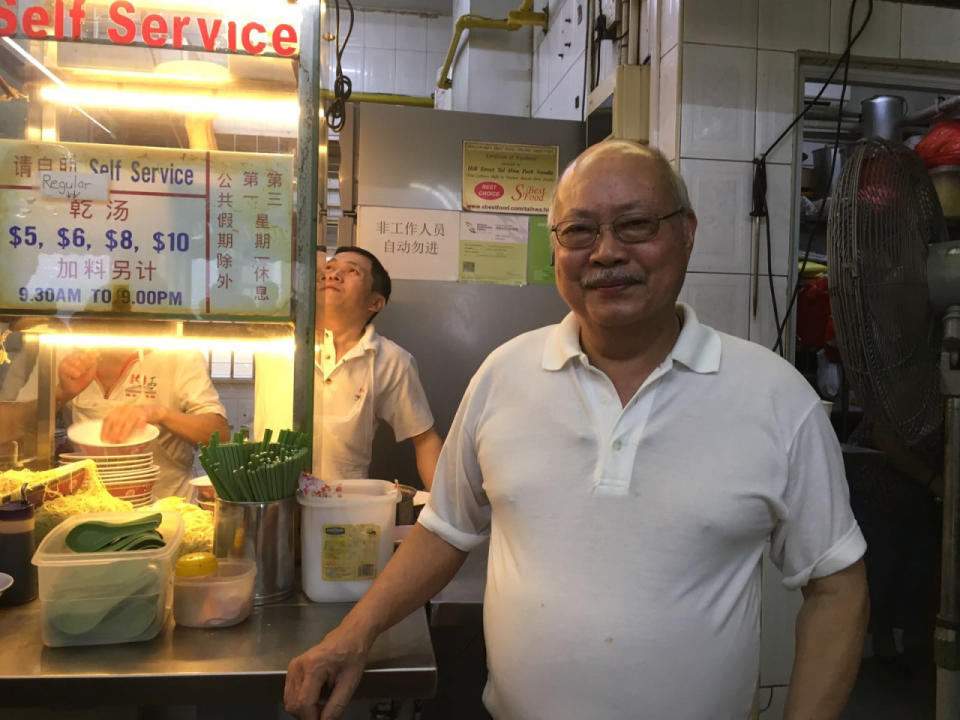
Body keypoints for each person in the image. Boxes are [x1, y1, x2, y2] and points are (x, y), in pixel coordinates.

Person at [285, 141, 869, 720]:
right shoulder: (505, 373)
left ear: (687, 231)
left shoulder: (774, 395)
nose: (607, 252)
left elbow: (837, 584)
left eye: (636, 225)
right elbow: (444, 529)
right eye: (580, 231)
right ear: (555, 247)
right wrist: (352, 635)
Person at [18, 346, 229, 499]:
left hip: (168, 507)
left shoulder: (180, 354)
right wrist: (62, 393)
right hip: (86, 506)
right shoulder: (62, 351)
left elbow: (219, 435)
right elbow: (16, 426)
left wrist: (161, 414)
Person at [314, 246, 442, 490]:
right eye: (329, 268)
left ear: (375, 302)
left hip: (344, 508)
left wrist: (443, 516)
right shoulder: (279, 337)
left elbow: (425, 440)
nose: (333, 275)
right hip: (271, 503)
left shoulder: (391, 360)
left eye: (351, 271)